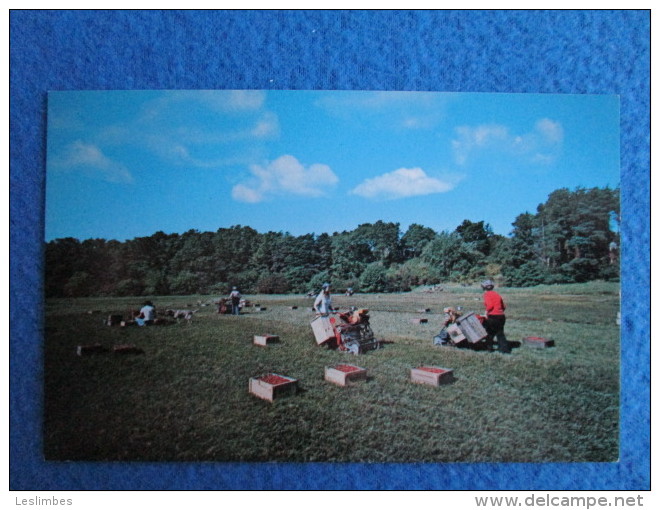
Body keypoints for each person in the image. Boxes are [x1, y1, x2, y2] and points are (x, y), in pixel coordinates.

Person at [481, 279, 511, 354]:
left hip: (493, 317)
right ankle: (504, 350)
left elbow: (490, 306)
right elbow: (503, 306)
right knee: (500, 333)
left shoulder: (487, 294)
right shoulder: (497, 294)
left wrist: (486, 312)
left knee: (489, 333)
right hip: (501, 316)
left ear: (484, 287)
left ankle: (489, 349)